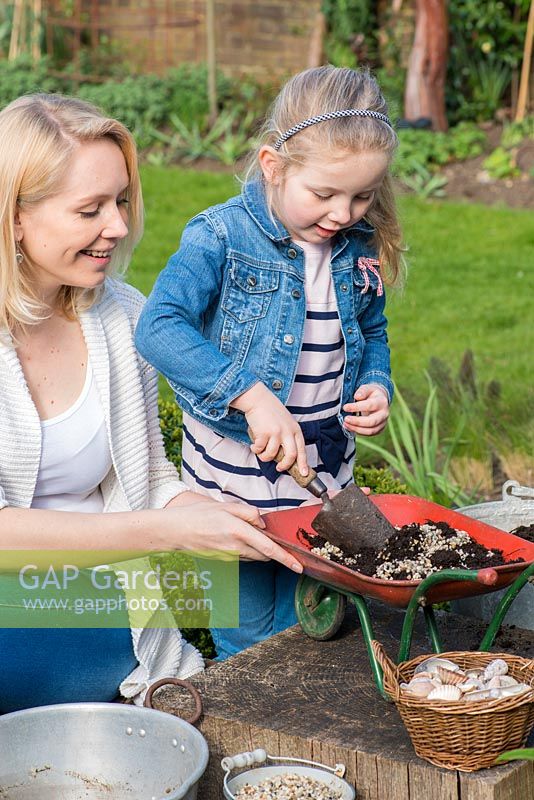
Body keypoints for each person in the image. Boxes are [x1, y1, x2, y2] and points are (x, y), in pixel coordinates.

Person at [0, 92, 303, 713]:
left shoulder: (121, 316)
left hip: (100, 610)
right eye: (89, 210)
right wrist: (167, 531)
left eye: (120, 201)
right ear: (14, 217)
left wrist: (215, 510)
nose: (116, 226)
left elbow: (143, 475)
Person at [135, 66, 405, 661]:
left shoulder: (355, 249)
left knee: (317, 629)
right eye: (324, 194)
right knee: (251, 636)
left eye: (363, 196)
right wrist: (250, 395)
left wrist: (375, 383)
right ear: (273, 165)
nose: (344, 213)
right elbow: (157, 326)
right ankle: (255, 743)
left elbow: (372, 330)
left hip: (323, 478)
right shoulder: (221, 236)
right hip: (237, 481)